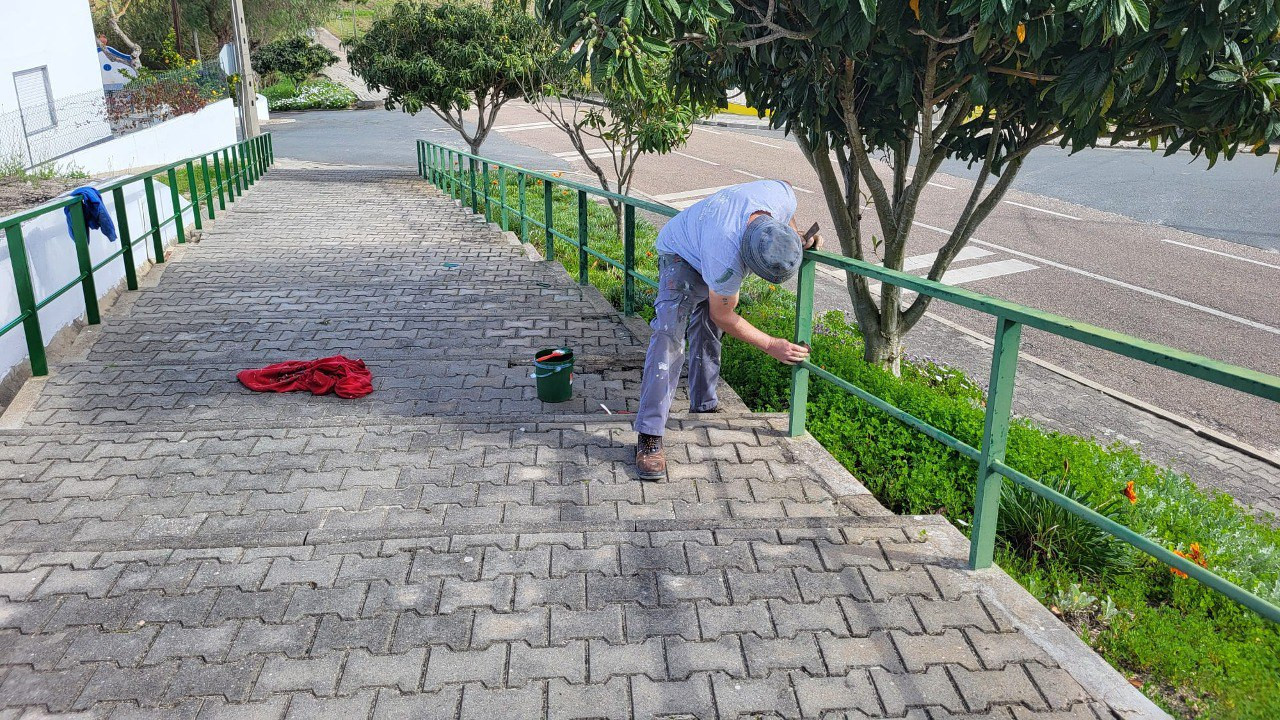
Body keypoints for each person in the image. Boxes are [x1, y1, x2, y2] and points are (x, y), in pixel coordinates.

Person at [634, 179, 822, 480]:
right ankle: (649, 435)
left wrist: (793, 236)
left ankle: (704, 405)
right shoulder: (726, 256)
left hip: (707, 239)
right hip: (681, 253)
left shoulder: (779, 197)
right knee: (669, 336)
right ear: (745, 256)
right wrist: (771, 343)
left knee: (708, 330)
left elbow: (788, 199)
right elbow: (723, 313)